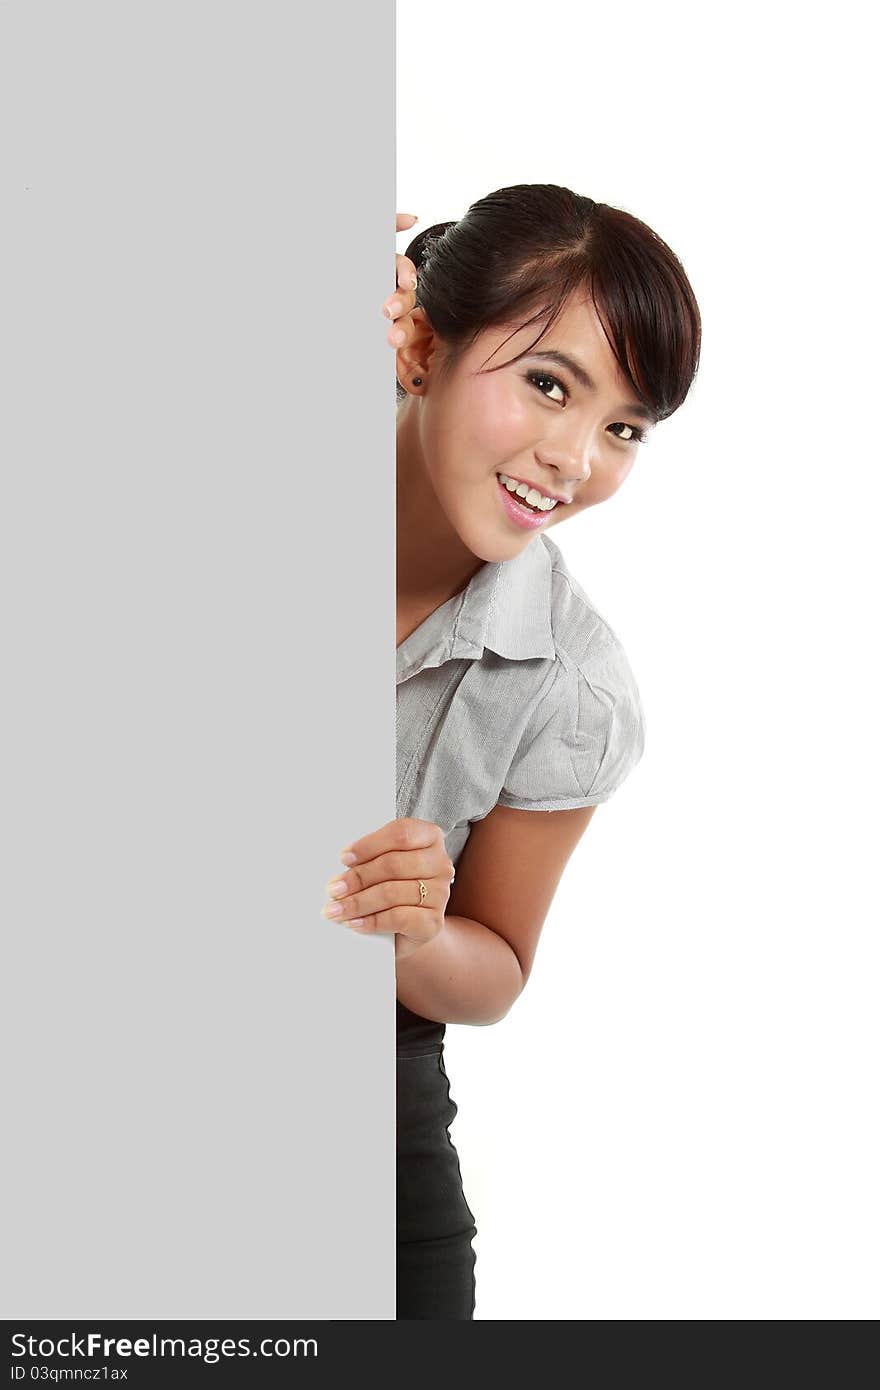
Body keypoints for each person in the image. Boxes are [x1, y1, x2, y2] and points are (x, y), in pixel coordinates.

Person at [321, 185, 702, 1319]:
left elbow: (495, 971)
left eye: (624, 426)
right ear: (423, 344)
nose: (574, 458)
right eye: (549, 383)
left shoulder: (575, 688)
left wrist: (410, 930)